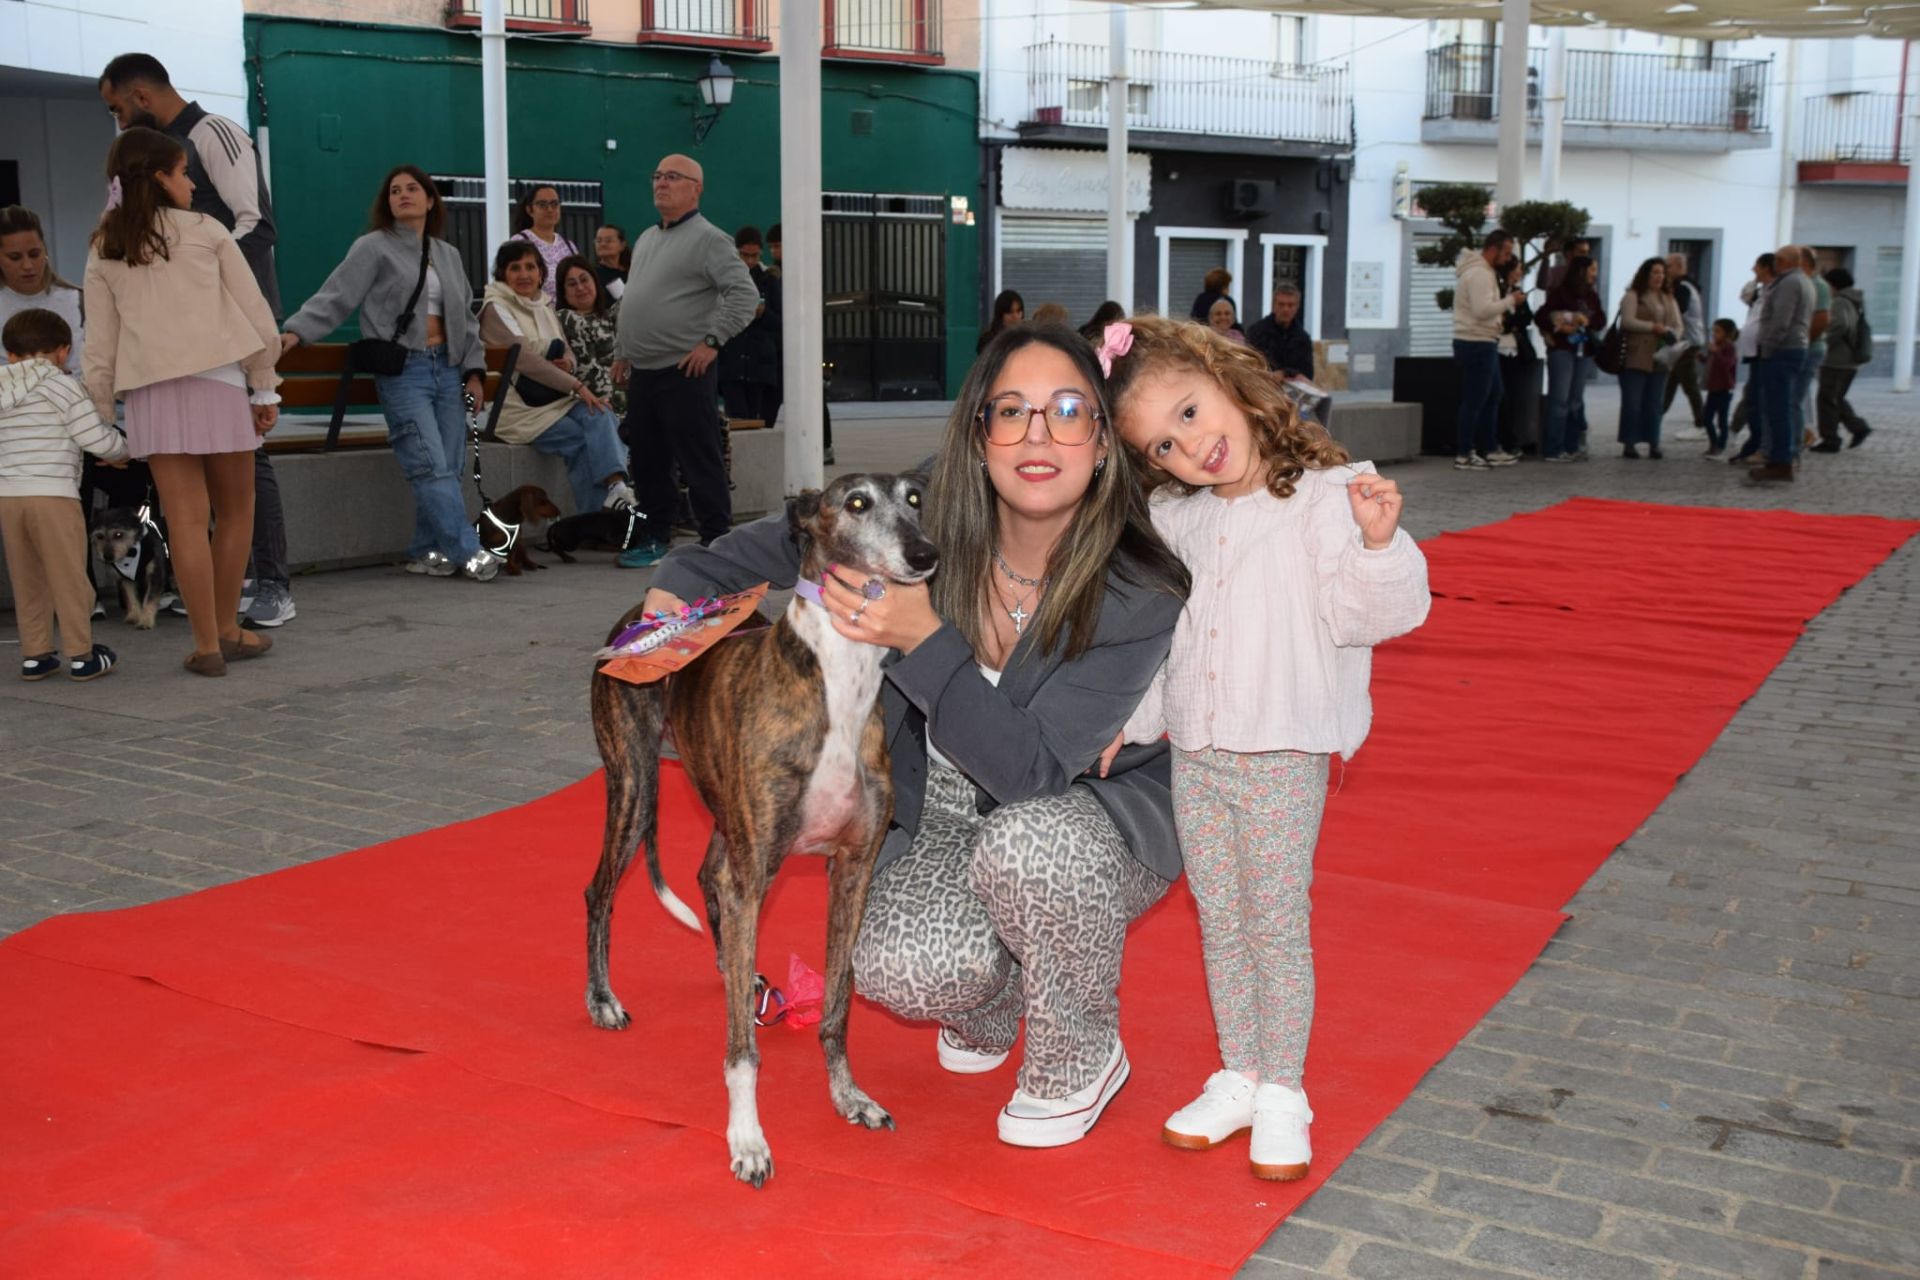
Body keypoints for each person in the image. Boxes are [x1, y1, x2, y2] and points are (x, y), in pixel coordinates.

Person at [642, 323, 1191, 1149]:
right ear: (978, 435)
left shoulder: (1137, 586)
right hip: (942, 802)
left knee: (1028, 845)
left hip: (1083, 815)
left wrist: (921, 638)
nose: (1037, 437)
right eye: (1012, 411)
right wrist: (681, 585)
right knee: (896, 964)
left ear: (1105, 440)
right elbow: (788, 535)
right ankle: (995, 999)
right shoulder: (925, 506)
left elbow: (1034, 774)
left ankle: (1080, 1053)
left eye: (1068, 411)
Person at [1104, 315, 1430, 1181]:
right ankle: (1240, 1073)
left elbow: (1372, 618)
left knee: (1275, 921)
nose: (1189, 446)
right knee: (1220, 918)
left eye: (1190, 412)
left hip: (1283, 751)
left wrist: (1378, 544)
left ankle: (1286, 1089)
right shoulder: (1179, 519)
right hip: (1198, 752)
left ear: (1228, 378)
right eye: (1163, 445)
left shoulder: (1325, 498)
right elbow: (1166, 644)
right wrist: (1131, 722)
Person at [99, 52, 295, 628]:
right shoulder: (139, 191)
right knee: (201, 496)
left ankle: (272, 583)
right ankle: (219, 596)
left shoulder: (215, 133)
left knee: (248, 468)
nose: (117, 121)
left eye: (116, 108)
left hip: (234, 327)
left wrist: (208, 288)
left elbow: (256, 223)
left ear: (141, 96)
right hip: (183, 341)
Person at [84, 127, 279, 676]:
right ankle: (228, 629)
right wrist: (264, 384)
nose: (192, 183)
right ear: (161, 177)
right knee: (236, 512)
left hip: (151, 394)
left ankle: (207, 646)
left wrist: (102, 424)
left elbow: (98, 345)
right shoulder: (207, 230)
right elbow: (256, 313)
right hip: (219, 383)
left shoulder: (105, 245)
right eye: (184, 172)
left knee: (185, 522)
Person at [283, 165, 498, 582]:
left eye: (413, 188)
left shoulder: (447, 254)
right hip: (405, 371)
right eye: (395, 191)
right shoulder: (373, 247)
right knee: (430, 464)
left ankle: (426, 550)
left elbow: (467, 321)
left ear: (430, 200)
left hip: (448, 369)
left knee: (449, 465)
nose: (403, 195)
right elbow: (337, 294)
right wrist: (297, 331)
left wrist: (474, 372)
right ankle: (468, 551)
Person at [610, 154, 758, 566]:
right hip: (644, 371)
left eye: (673, 177)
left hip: (685, 369)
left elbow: (745, 296)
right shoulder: (646, 238)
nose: (661, 183)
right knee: (648, 461)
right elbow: (634, 299)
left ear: (696, 188)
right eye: (657, 176)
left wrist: (712, 342)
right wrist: (623, 351)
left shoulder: (710, 240)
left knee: (699, 458)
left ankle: (716, 541)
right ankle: (656, 535)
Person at [1, 307, 129, 681]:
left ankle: (36, 654)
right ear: (63, 352)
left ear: (10, 355)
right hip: (53, 496)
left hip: (9, 498)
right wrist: (123, 449)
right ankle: (82, 654)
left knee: (27, 579)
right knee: (69, 575)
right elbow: (93, 437)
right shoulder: (62, 386)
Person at [479, 241, 638, 518]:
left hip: (553, 401)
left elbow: (565, 348)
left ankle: (616, 488)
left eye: (530, 267)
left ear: (541, 272)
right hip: (517, 410)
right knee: (581, 439)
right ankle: (596, 519)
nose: (524, 274)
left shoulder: (543, 304)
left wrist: (568, 362)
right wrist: (576, 385)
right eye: (515, 268)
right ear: (503, 274)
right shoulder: (496, 307)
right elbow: (524, 359)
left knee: (601, 412)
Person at [1452, 229, 1526, 471]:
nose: (1508, 258)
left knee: (1493, 395)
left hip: (1484, 340)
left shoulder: (1483, 272)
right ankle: (1465, 453)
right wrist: (1510, 301)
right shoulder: (1480, 274)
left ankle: (1489, 448)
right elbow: (1481, 310)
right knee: (1476, 399)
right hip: (1476, 341)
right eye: (1506, 252)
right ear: (1493, 249)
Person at [1750, 243, 1814, 484]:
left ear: (1784, 261)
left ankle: (1781, 460)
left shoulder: (1789, 283)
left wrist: (1768, 347)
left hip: (1782, 350)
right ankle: (1780, 458)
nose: (1774, 263)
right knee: (1781, 406)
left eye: (1777, 259)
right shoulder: (1802, 280)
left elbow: (1781, 320)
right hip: (1793, 348)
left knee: (1778, 408)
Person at [0, 207, 86, 376]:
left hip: (76, 391)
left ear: (45, 251)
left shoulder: (78, 301)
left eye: (34, 254)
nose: (27, 265)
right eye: (15, 257)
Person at [1538, 254, 1604, 461]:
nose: (1595, 274)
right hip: (1562, 350)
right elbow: (1542, 316)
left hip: (1584, 351)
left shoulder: (1592, 296)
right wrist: (1562, 321)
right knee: (1559, 399)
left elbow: (1601, 319)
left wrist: (1588, 321)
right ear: (1581, 272)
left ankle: (1572, 446)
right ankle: (1553, 449)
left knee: (1575, 400)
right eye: (1592, 269)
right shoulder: (1560, 293)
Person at [1616, 256, 1681, 460]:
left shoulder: (1668, 298)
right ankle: (1629, 443)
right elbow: (1627, 321)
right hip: (1636, 354)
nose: (1659, 276)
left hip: (1660, 355)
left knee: (1654, 403)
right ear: (1646, 274)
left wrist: (1672, 334)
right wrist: (1652, 327)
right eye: (1655, 272)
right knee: (1632, 403)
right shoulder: (1633, 295)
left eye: (1662, 273)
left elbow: (1678, 325)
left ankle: (1654, 442)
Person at [719, 226, 782, 427]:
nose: (749, 261)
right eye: (744, 255)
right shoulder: (725, 279)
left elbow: (780, 323)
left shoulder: (769, 280)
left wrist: (763, 313)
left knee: (759, 423)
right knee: (737, 422)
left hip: (759, 365)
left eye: (754, 256)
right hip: (732, 362)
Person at [554, 254, 625, 420]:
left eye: (584, 280)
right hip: (597, 403)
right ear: (564, 292)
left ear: (595, 281)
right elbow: (588, 372)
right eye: (572, 284)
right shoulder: (567, 318)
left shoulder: (608, 316)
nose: (580, 288)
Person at [1814, 267, 1872, 451]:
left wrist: (1823, 341)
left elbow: (1840, 324)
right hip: (1848, 359)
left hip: (1837, 359)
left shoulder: (1840, 301)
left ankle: (1831, 440)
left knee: (1827, 399)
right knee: (1835, 397)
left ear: (1833, 285)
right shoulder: (1855, 300)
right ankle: (1858, 428)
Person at [1728, 254, 1774, 466]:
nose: (1753, 269)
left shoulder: (1775, 290)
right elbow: (1746, 296)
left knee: (1757, 401)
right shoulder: (1762, 290)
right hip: (1754, 352)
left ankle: (1760, 446)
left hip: (1764, 352)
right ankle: (1755, 444)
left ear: (1766, 267)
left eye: (1756, 266)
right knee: (1753, 400)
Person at [1660, 252, 1707, 431]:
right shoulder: (1687, 285)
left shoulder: (1682, 287)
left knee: (1689, 384)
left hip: (1687, 342)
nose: (1665, 270)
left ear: (1679, 267)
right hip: (1686, 341)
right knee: (1671, 381)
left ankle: (1702, 423)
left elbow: (1679, 310)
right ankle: (1656, 415)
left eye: (1668, 266)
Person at [510, 185, 580, 302]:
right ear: (529, 210)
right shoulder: (519, 242)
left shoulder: (569, 246)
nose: (550, 209)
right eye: (542, 204)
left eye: (554, 204)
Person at [1798, 245, 1831, 453]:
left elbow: (1821, 319)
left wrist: (1803, 342)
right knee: (1799, 395)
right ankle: (1804, 432)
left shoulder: (1818, 286)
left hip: (1808, 348)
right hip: (1801, 345)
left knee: (1797, 395)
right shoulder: (1802, 283)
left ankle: (1804, 435)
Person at [1245, 285, 1314, 381]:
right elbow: (1249, 364)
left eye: (1290, 305)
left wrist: (1285, 373)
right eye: (1281, 304)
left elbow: (1307, 373)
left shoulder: (1302, 338)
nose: (1286, 309)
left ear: (1297, 307)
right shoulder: (1257, 332)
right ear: (1273, 305)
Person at [1703, 318, 1738, 458]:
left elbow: (1726, 365)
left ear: (1727, 333)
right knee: (1706, 418)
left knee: (1722, 420)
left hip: (1724, 389)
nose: (1714, 334)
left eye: (1718, 331)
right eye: (1713, 331)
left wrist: (1716, 352)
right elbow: (1710, 362)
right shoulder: (1716, 346)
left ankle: (1720, 445)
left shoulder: (1729, 347)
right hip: (1713, 388)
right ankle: (1713, 443)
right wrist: (1702, 357)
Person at [977, 289, 1024, 353]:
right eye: (1010, 312)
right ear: (1000, 315)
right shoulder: (989, 341)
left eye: (1018, 311)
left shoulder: (1026, 339)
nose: (1015, 316)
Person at [593, 224, 629, 300]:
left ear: (622, 245)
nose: (603, 244)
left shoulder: (632, 272)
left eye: (608, 240)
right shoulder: (592, 274)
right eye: (599, 241)